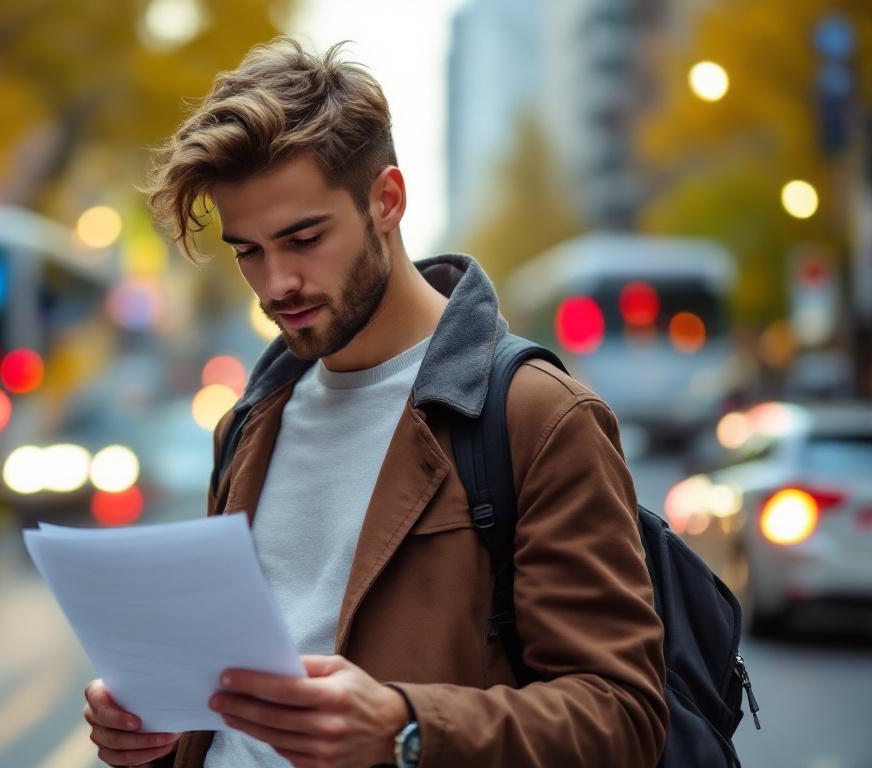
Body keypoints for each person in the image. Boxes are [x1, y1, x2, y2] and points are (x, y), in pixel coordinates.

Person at [83, 38, 667, 768]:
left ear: (385, 201)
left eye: (304, 238)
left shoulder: (537, 417)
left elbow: (624, 718)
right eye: (249, 251)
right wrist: (152, 728)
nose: (276, 284)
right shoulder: (247, 425)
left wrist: (406, 727)